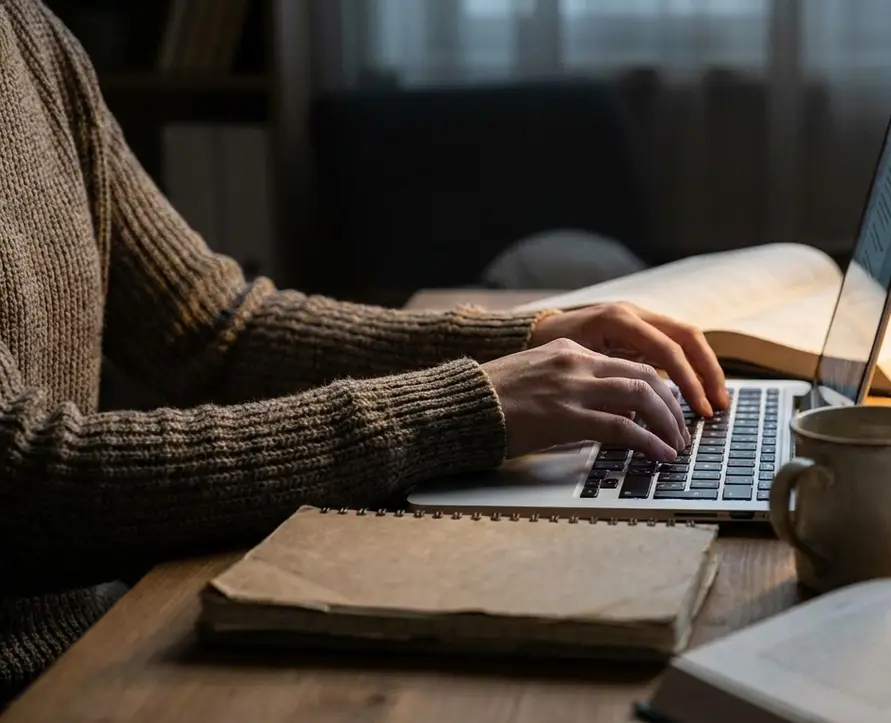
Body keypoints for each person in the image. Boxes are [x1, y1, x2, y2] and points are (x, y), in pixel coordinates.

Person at [0, 0, 728, 704]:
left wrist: (522, 340)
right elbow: (24, 483)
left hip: (108, 632)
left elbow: (213, 331)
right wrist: (468, 404)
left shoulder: (31, 33)